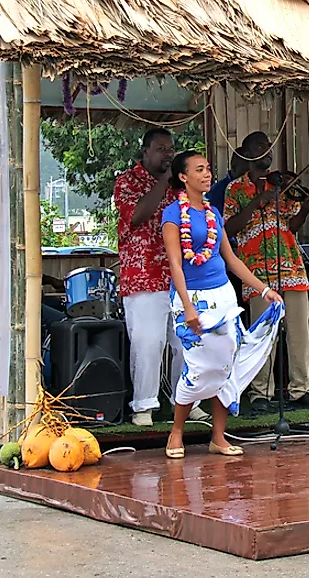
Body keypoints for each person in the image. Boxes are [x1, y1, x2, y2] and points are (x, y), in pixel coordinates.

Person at [161, 151, 284, 458]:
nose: (207, 174)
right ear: (183, 177)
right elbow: (176, 265)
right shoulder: (173, 215)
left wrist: (263, 288)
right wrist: (188, 306)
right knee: (200, 366)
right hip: (192, 297)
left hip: (223, 296)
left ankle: (218, 436)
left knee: (226, 366)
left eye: (208, 169)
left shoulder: (214, 213)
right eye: (199, 170)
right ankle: (177, 431)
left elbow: (230, 259)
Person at [224, 132, 309, 413]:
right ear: (246, 153)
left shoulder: (281, 184)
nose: (266, 150)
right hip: (257, 273)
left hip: (291, 269)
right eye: (259, 146)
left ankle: (301, 389)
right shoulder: (235, 189)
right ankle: (260, 393)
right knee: (263, 334)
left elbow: (291, 228)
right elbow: (229, 229)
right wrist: (257, 202)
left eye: (268, 146)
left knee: (299, 333)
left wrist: (305, 211)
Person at [113, 128, 208, 426]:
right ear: (145, 152)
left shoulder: (180, 189)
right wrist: (164, 182)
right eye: (161, 149)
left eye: (171, 150)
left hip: (179, 278)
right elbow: (137, 216)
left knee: (187, 343)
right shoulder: (127, 182)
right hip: (143, 277)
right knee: (148, 343)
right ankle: (143, 407)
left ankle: (187, 403)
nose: (168, 154)